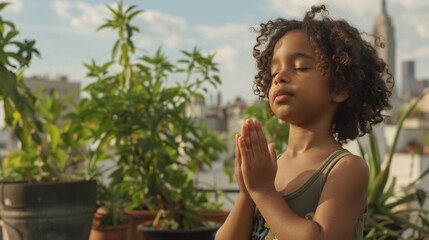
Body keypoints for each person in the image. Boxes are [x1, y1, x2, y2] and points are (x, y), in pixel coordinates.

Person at [215, 4, 393, 240]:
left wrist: (265, 191)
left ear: (339, 87)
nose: (279, 77)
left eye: (300, 67)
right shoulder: (270, 169)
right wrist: (248, 193)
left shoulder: (347, 169)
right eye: (273, 72)